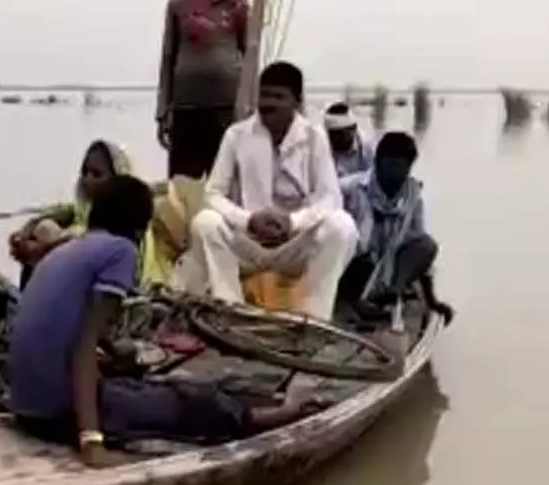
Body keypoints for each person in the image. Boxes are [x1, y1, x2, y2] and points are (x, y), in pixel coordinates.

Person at [8, 174, 323, 468]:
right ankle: (269, 418)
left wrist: (115, 351)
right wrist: (91, 442)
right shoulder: (121, 251)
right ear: (139, 227)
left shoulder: (65, 250)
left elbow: (78, 323)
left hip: (25, 405)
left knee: (145, 388)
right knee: (191, 402)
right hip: (57, 413)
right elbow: (84, 345)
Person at [184, 61, 358, 318]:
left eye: (278, 97)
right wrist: (248, 220)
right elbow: (213, 194)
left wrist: (293, 222)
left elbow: (331, 198)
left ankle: (311, 319)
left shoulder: (314, 137)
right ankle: (231, 312)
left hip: (293, 245)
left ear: (297, 102)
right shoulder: (237, 135)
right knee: (205, 223)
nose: (268, 104)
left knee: (343, 227)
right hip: (248, 242)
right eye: (264, 95)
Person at [155, 0, 250, 180]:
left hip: (226, 108)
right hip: (186, 107)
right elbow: (168, 57)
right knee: (184, 184)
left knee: (226, 181)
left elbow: (249, 52)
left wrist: (250, 107)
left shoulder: (237, 3)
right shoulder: (178, 3)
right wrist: (163, 110)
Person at [8, 140, 165, 288]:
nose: (87, 180)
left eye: (97, 174)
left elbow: (90, 243)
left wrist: (39, 250)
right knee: (43, 228)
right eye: (85, 172)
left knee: (48, 231)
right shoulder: (83, 209)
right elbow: (58, 214)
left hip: (121, 289)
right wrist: (24, 234)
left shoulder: (129, 219)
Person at [337, 131, 455, 324]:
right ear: (377, 163)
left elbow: (419, 244)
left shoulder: (413, 197)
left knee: (426, 245)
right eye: (390, 166)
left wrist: (432, 301)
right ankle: (352, 301)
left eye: (402, 168)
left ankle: (391, 294)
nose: (395, 174)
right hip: (353, 264)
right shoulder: (350, 190)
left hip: (387, 264)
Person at [323, 102, 373, 190]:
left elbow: (373, 177)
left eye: (340, 133)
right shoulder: (322, 144)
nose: (335, 138)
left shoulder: (367, 145)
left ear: (353, 129)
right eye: (331, 134)